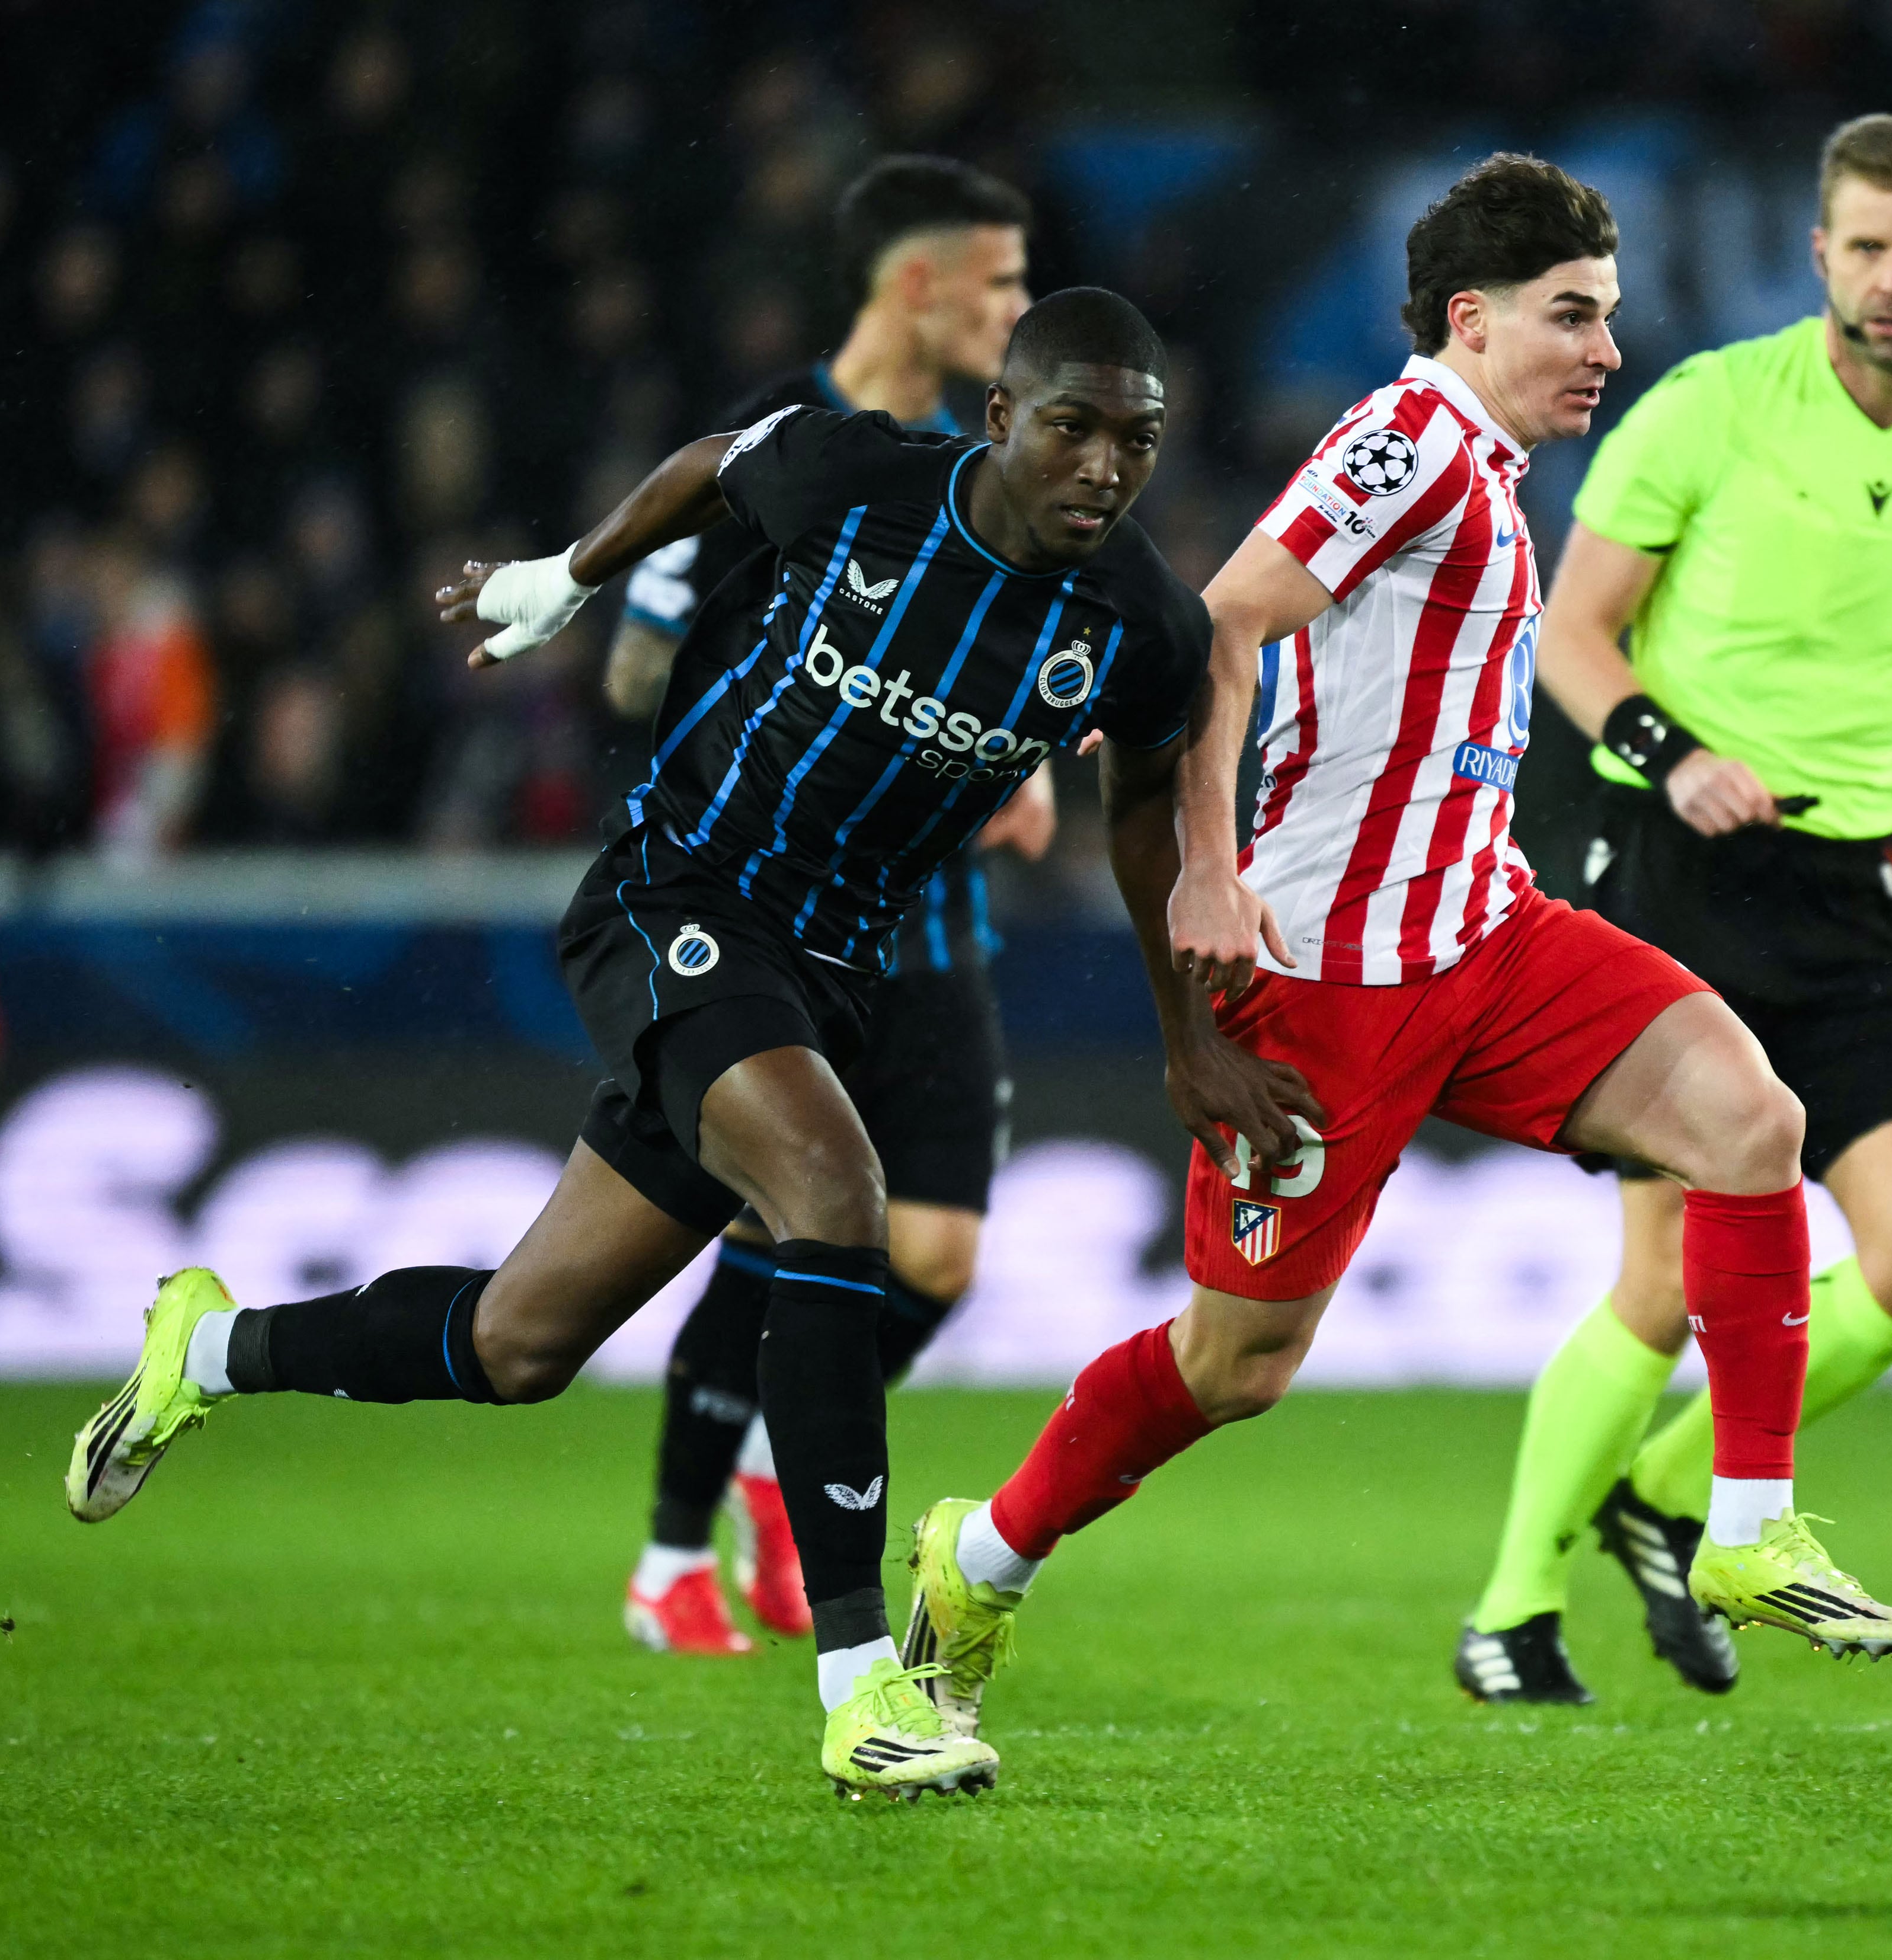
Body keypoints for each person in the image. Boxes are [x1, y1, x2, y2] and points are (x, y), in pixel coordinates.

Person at [68, 288, 1256, 1800]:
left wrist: (1185, 1037)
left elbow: (1145, 817)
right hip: (676, 896)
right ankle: (862, 1687)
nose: (1103, 467)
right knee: (836, 1193)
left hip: (829, 974)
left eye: (1136, 441)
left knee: (518, 1345)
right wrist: (568, 578)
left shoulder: (1144, 627)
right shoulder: (864, 477)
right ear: (1004, 415)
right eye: (1073, 427)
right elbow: (716, 464)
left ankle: (209, 1349)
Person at [892, 154, 1892, 1774]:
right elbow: (1226, 622)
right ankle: (983, 1554)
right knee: (1236, 1364)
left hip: (1487, 934)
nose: (1605, 348)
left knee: (1751, 1121)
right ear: (1470, 318)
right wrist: (1212, 868)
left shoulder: (1491, 470)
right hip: (1327, 981)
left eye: (1608, 315)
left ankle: (1744, 1525)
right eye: (1571, 315)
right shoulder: (1410, 442)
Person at [1452, 114, 1892, 1704]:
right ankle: (1512, 1609)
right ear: (1821, 253)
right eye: (1868, 246)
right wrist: (1678, 755)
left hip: (1848, 888)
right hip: (1676, 874)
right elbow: (1573, 634)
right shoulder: (1710, 406)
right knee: (1663, 1282)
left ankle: (1667, 1494)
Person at [602, 156, 1057, 1658]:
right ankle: (674, 1554)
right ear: (917, 284)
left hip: (937, 927)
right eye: (999, 280)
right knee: (780, 1210)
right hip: (774, 915)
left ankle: (757, 1463)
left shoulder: (999, 457)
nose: (1018, 308)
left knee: (934, 1256)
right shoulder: (783, 441)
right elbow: (633, 669)